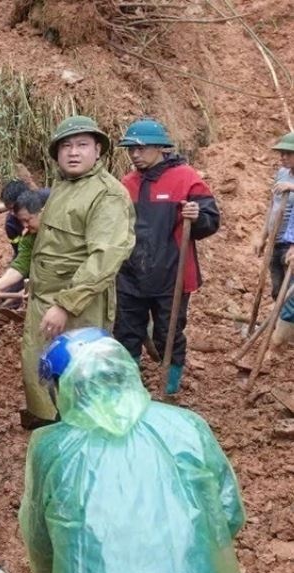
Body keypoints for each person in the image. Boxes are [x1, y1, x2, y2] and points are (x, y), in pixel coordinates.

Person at [19, 328, 245, 573]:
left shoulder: (52, 447)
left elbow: (40, 539)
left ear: (62, 389)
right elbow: (229, 513)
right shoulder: (188, 426)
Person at [20, 116, 135, 428]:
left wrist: (65, 304)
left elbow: (104, 258)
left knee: (78, 374)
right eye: (66, 146)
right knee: (43, 368)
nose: (73, 152)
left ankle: (78, 440)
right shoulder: (64, 185)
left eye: (82, 145)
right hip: (45, 300)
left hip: (76, 306)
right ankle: (50, 426)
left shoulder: (107, 194)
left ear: (98, 150)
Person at [113, 118, 220, 395]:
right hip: (131, 273)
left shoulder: (186, 178)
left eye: (141, 149)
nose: (135, 155)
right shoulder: (127, 183)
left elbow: (211, 219)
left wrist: (197, 217)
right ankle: (129, 387)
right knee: (126, 332)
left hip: (172, 274)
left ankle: (168, 388)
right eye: (131, 150)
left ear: (161, 147)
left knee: (168, 333)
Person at [0, 188, 49, 335]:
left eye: (27, 220)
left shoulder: (65, 234)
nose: (24, 225)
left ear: (43, 211)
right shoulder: (29, 237)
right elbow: (21, 264)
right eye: (21, 221)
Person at [256, 131, 294, 299]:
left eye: (288, 153)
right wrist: (263, 236)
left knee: (290, 295)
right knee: (277, 291)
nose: (283, 157)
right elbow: (273, 206)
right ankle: (276, 324)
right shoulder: (282, 174)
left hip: (290, 245)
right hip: (275, 241)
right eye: (281, 153)